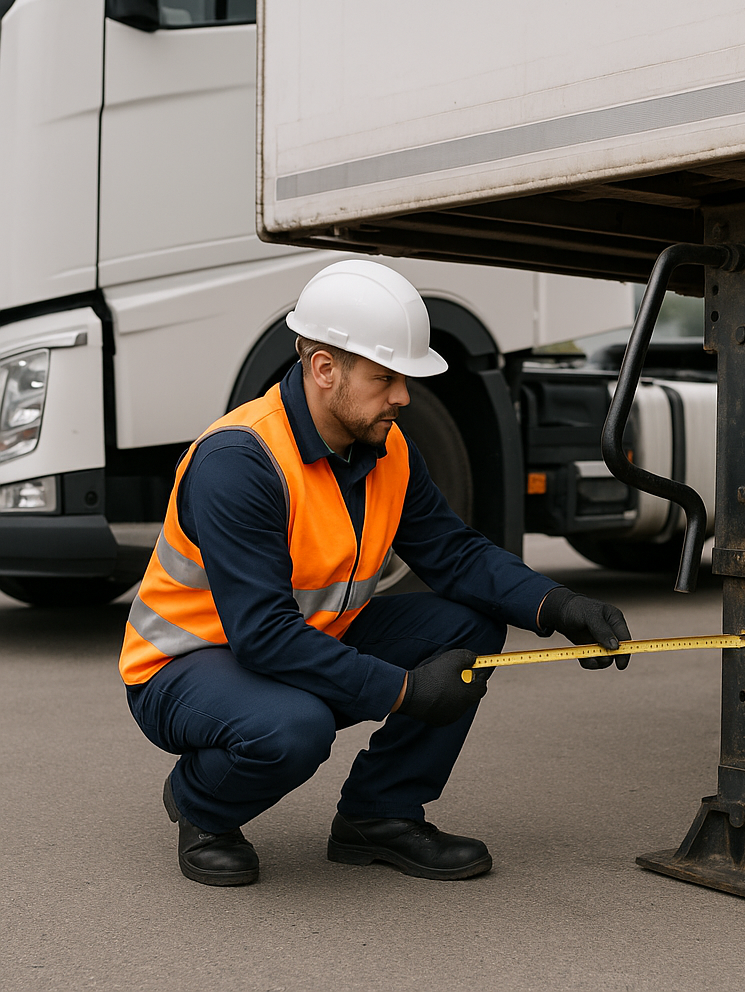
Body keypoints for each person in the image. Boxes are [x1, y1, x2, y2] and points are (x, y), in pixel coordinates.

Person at [119, 259, 631, 887]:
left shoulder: (386, 449)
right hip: (186, 665)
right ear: (324, 368)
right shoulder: (240, 461)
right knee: (293, 727)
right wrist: (406, 693)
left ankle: (379, 816)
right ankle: (202, 804)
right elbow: (263, 636)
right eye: (386, 377)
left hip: (304, 639)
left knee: (467, 623)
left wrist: (557, 605)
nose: (404, 397)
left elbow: (456, 553)